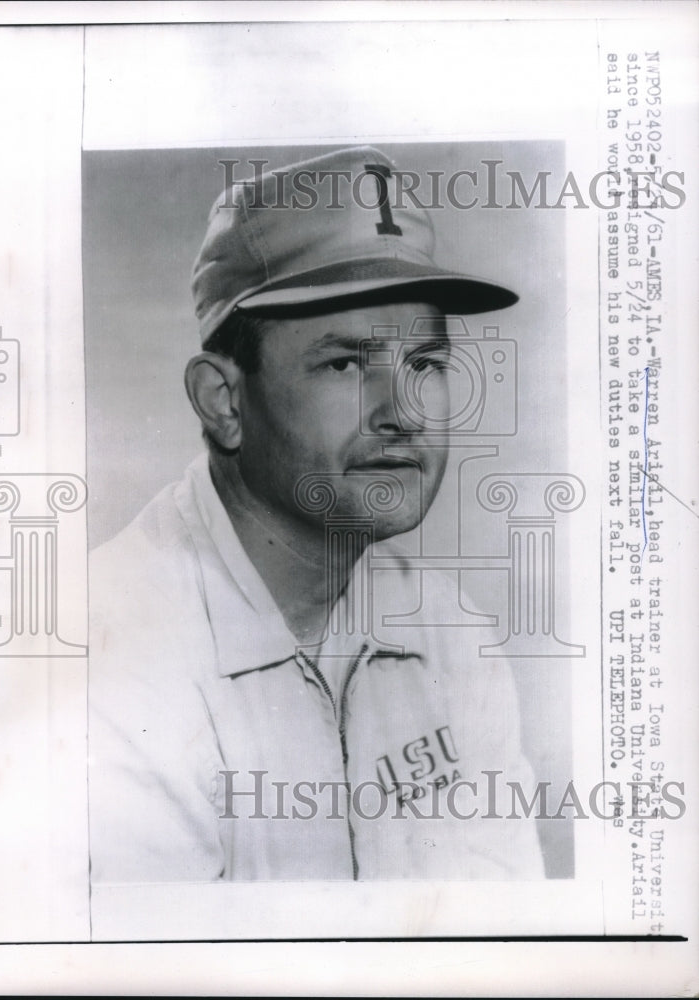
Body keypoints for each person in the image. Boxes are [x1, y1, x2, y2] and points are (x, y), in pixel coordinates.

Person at [88, 146, 544, 884]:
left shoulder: (448, 627)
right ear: (224, 401)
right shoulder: (105, 657)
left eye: (424, 365)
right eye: (344, 364)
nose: (402, 414)